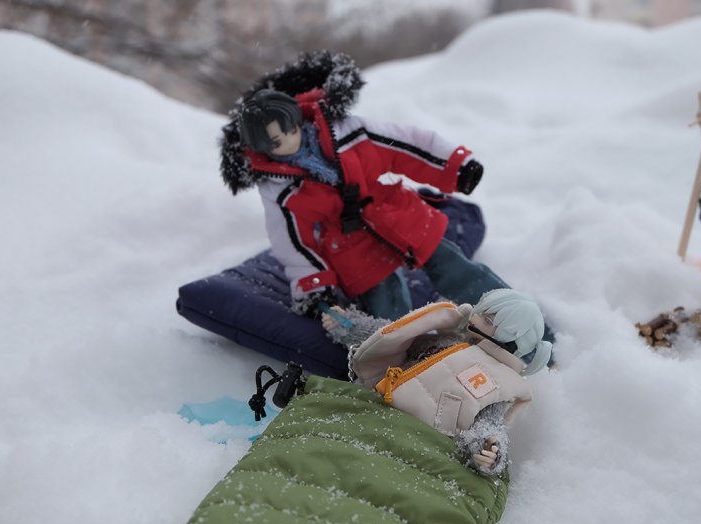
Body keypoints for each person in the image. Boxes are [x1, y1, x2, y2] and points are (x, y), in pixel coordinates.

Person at [219, 51, 511, 321]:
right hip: (347, 243)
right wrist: (313, 282)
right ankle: (412, 362)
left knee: (454, 266)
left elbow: (404, 145)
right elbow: (292, 240)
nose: (291, 140)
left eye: (293, 128)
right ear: (260, 147)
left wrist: (453, 166)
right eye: (278, 142)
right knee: (390, 310)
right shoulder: (277, 187)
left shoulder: (346, 131)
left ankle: (512, 318)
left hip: (396, 211)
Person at [322, 289, 554, 476]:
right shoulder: (448, 338)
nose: (474, 318)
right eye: (482, 312)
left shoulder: (501, 383)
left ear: (510, 338)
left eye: (487, 320)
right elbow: (392, 333)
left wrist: (490, 450)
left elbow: (491, 425)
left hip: (420, 440)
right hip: (376, 404)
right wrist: (346, 323)